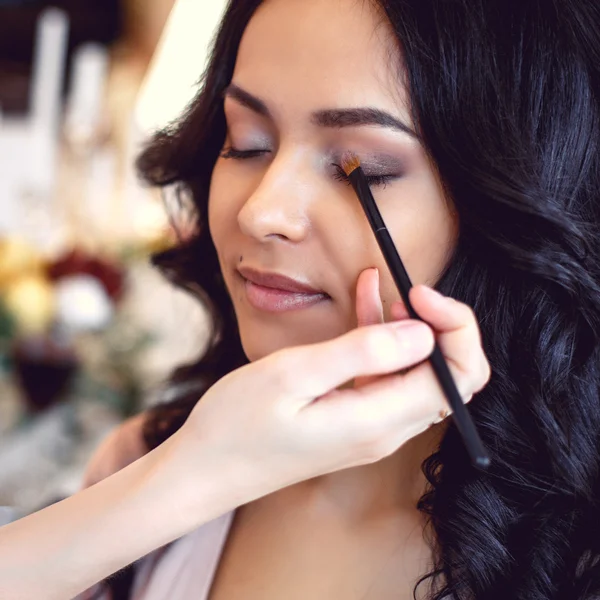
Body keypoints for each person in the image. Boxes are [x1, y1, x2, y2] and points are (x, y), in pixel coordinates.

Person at [2, 0, 599, 597]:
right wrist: (187, 479)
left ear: (517, 200)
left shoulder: (574, 560)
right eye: (246, 143)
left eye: (357, 168)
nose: (260, 211)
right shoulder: (147, 463)